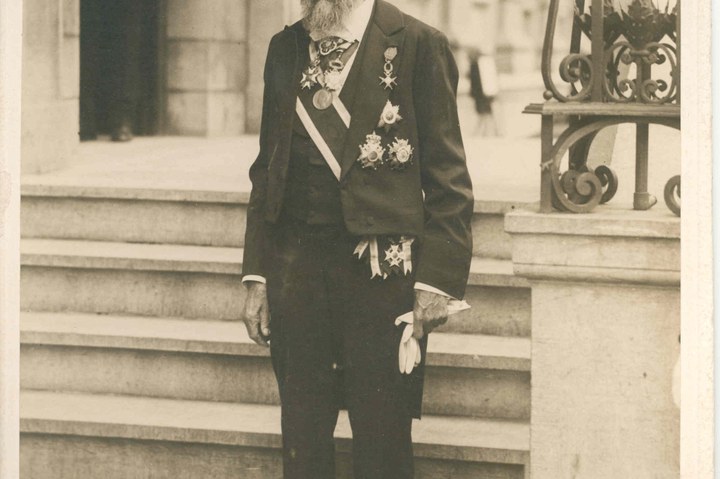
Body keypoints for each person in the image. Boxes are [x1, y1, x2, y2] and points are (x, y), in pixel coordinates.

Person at [241, 1, 474, 477]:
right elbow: (268, 170)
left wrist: (437, 282)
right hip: (296, 271)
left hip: (380, 275)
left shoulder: (417, 43)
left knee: (382, 433)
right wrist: (258, 275)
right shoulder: (286, 48)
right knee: (302, 431)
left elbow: (448, 176)